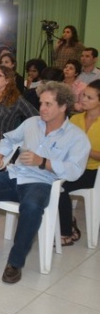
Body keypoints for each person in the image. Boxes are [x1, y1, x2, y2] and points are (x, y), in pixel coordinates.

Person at [0, 82, 90, 284]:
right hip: (15, 175)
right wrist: (0, 155)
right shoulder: (32, 123)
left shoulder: (76, 137)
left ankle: (15, 263)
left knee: (32, 206)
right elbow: (9, 139)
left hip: (41, 182)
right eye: (41, 103)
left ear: (63, 106)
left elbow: (74, 170)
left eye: (48, 104)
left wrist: (43, 162)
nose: (42, 108)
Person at [58, 80, 100, 245]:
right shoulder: (75, 119)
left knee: (60, 187)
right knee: (49, 180)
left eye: (89, 97)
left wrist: (85, 150)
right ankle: (67, 221)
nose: (83, 99)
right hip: (72, 166)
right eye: (83, 95)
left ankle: (66, 232)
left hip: (93, 171)